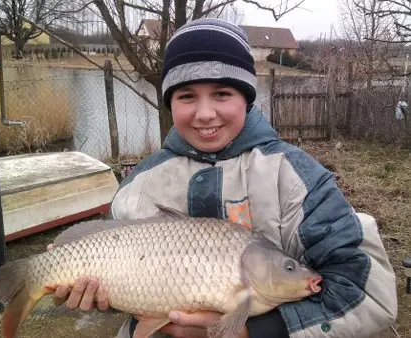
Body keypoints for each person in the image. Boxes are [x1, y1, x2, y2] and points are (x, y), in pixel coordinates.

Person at [50, 18, 398, 338]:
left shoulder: (297, 178)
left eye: (221, 93)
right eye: (187, 96)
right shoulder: (140, 185)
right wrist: (99, 295)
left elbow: (369, 294)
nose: (204, 113)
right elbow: (123, 284)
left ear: (247, 99)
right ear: (170, 103)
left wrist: (254, 332)